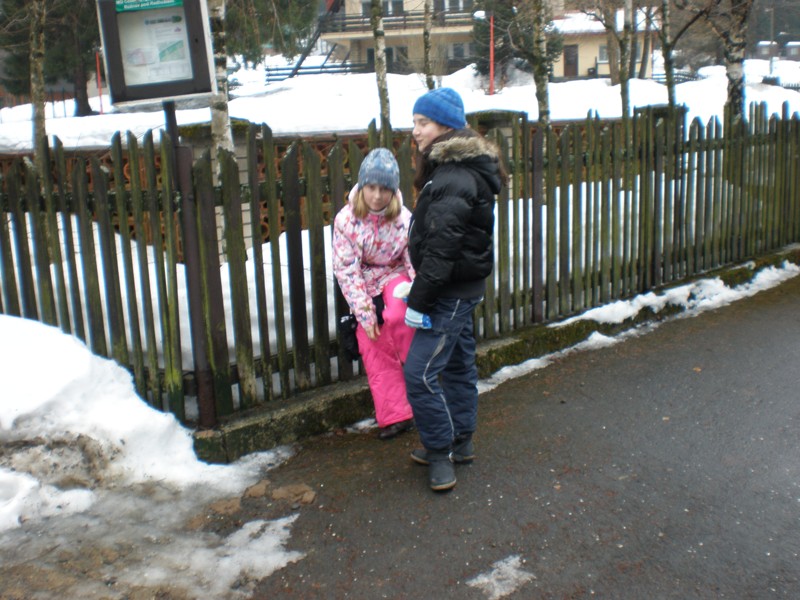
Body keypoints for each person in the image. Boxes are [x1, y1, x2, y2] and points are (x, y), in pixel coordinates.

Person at [402, 87, 505, 491]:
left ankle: (440, 450)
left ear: (445, 126)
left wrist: (418, 300)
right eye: (414, 122)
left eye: (423, 122)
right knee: (459, 365)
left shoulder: (453, 175)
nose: (415, 131)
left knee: (420, 374)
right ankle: (461, 441)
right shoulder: (456, 168)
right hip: (461, 287)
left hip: (449, 292)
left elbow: (441, 250)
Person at [332, 148, 416, 440]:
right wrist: (365, 313)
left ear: (393, 191)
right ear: (362, 186)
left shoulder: (403, 218)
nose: (378, 196)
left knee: (400, 315)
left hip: (395, 274)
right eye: (371, 188)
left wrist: (421, 294)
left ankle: (421, 386)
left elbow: (413, 258)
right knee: (372, 339)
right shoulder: (346, 220)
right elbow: (346, 269)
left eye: (384, 189)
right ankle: (397, 414)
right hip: (364, 282)